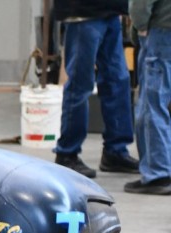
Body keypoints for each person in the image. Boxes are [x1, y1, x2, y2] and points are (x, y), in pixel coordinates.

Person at [53, 0, 141, 178]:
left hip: (111, 11)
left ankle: (115, 151)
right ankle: (67, 153)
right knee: (80, 84)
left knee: (118, 81)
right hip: (82, 12)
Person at [126, 0, 171, 193]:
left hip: (160, 31)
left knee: (152, 103)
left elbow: (141, 3)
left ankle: (157, 173)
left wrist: (140, 26)